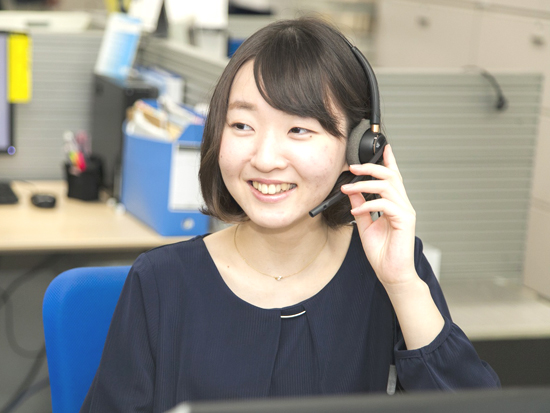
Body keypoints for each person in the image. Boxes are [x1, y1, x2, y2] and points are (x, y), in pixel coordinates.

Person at [80, 17, 499, 413]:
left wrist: (403, 284)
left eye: (299, 130)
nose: (264, 159)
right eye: (242, 126)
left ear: (357, 149)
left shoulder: (389, 272)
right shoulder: (160, 283)